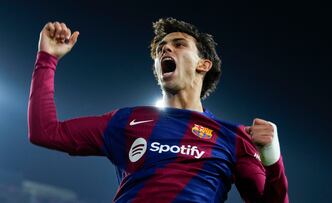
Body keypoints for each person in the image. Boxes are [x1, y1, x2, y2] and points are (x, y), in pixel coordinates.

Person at [28, 17, 288, 202]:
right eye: (162, 47)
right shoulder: (126, 120)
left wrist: (272, 159)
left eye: (179, 44)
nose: (166, 48)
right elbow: (45, 132)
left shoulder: (233, 138)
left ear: (203, 65)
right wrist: (47, 59)